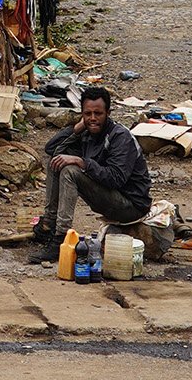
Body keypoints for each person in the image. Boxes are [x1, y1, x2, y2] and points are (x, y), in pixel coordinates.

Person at [29, 87, 151, 260]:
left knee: (70, 171)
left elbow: (116, 179)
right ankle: (48, 225)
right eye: (88, 114)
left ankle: (60, 238)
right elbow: (52, 149)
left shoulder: (120, 137)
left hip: (131, 205)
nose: (93, 118)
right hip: (110, 197)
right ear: (82, 114)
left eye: (98, 113)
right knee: (57, 161)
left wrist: (82, 162)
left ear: (108, 113)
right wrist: (77, 128)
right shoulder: (87, 132)